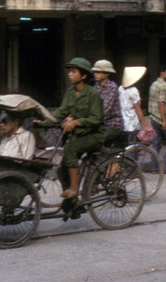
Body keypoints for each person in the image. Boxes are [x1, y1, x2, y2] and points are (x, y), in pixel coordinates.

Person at [50, 57, 105, 201]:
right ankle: (72, 203)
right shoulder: (70, 92)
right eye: (69, 71)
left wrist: (76, 122)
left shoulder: (93, 94)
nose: (69, 74)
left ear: (83, 76)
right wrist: (44, 120)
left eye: (74, 71)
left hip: (94, 135)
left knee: (70, 149)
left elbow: (96, 119)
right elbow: (61, 111)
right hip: (80, 135)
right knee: (62, 169)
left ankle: (74, 189)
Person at [148, 65, 166, 170]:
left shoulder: (154, 84)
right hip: (163, 119)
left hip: (154, 118)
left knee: (156, 143)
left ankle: (154, 167)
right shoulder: (163, 85)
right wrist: (165, 120)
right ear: (162, 73)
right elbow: (162, 103)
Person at [92, 59, 124, 146]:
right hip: (100, 124)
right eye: (95, 72)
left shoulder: (112, 87)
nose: (95, 74)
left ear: (106, 74)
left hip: (113, 124)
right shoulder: (96, 86)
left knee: (93, 138)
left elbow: (105, 108)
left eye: (98, 72)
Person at [119, 66, 151, 146]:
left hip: (122, 120)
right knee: (133, 146)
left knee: (125, 145)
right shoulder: (134, 91)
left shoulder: (120, 88)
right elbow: (138, 109)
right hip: (132, 121)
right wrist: (145, 124)